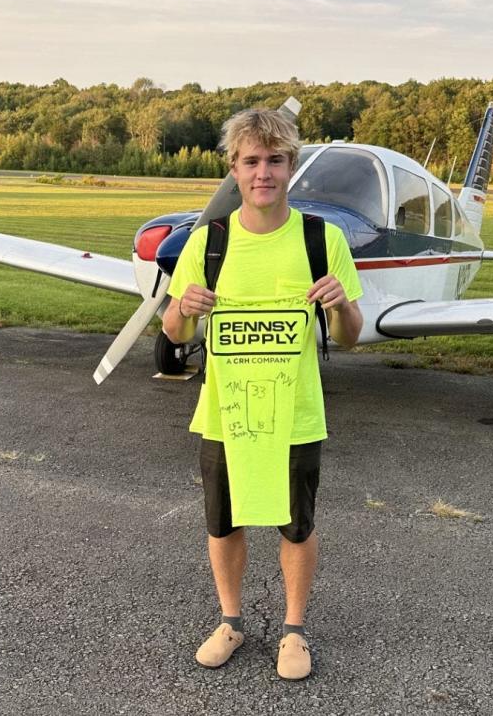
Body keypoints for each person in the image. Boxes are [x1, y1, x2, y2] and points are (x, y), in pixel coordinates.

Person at [163, 108, 363, 681]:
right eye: (251, 161)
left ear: (291, 167)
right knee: (223, 523)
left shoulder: (322, 240)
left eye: (275, 160)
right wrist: (184, 308)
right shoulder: (210, 242)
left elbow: (350, 337)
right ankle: (231, 621)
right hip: (224, 416)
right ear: (234, 169)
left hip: (295, 416)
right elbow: (175, 333)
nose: (263, 173)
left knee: (295, 525)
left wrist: (340, 304)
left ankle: (294, 631)